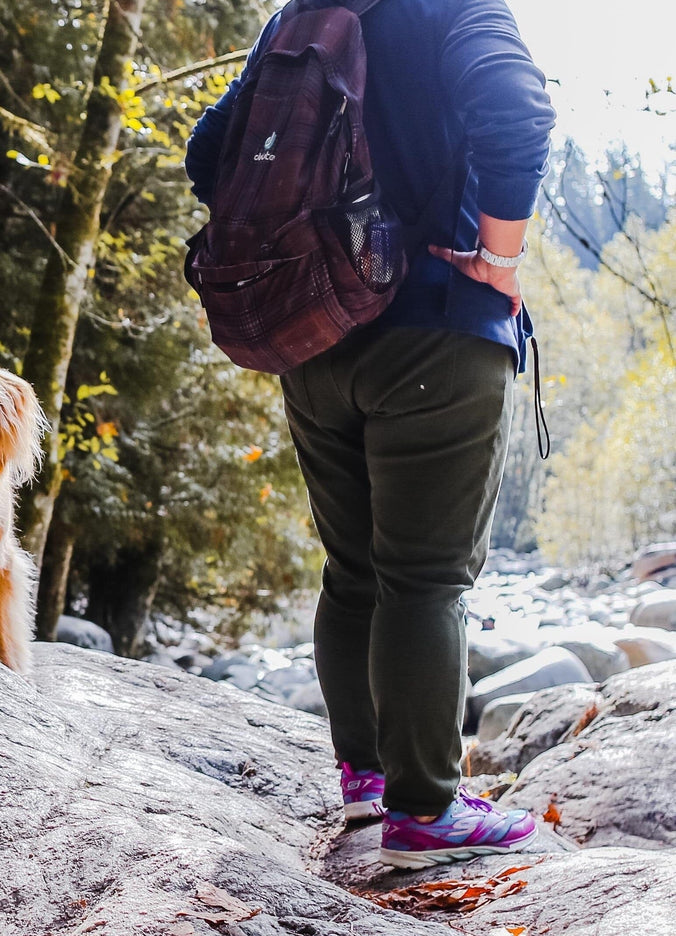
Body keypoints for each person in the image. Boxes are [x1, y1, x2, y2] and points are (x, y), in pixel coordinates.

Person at [186, 0, 555, 869]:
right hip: (436, 326)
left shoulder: (306, 16)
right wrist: (497, 262)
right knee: (425, 580)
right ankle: (424, 811)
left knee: (353, 574)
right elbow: (517, 109)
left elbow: (210, 153)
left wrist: (311, 241)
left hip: (314, 339)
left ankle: (364, 784)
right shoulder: (456, 7)